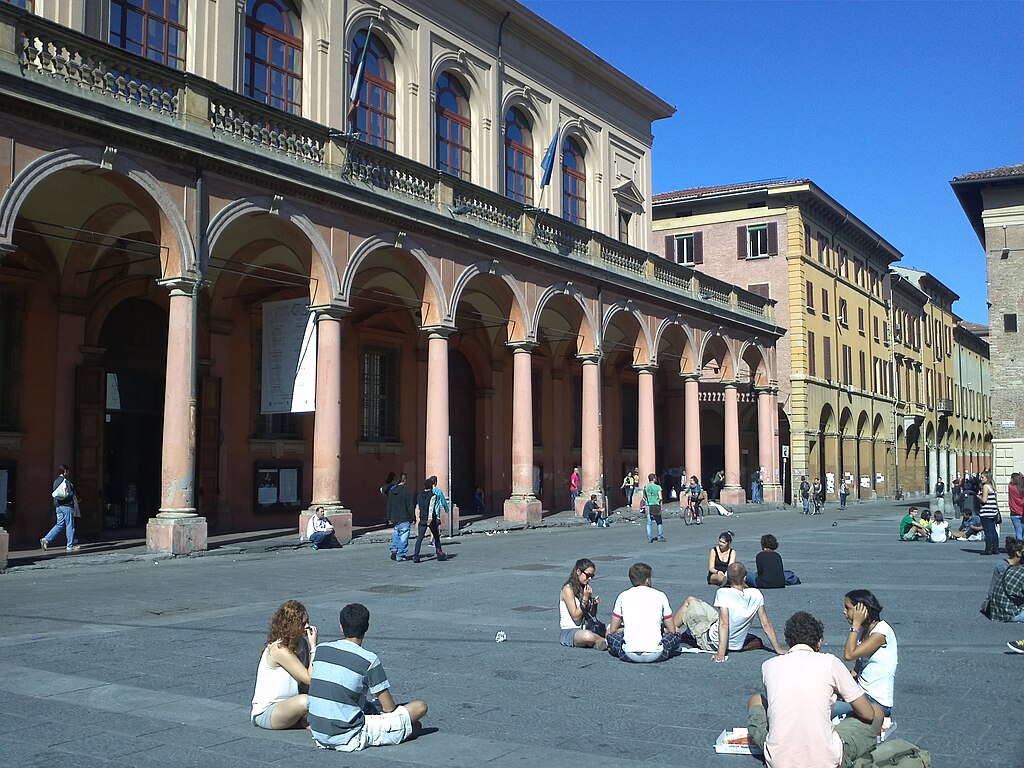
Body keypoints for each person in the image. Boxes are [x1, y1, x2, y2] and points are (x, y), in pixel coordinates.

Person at [746, 611, 884, 768]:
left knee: (756, 699)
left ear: (789, 641)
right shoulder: (830, 662)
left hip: (779, 760)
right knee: (876, 711)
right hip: (826, 760)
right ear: (819, 642)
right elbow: (867, 713)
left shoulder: (769, 665)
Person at [308, 603, 427, 751]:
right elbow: (389, 708)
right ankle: (401, 731)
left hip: (318, 732)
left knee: (372, 705)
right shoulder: (368, 659)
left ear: (341, 627)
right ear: (366, 628)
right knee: (419, 708)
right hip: (349, 735)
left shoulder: (321, 649)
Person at [675, 562, 786, 663]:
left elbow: (724, 623)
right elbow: (766, 623)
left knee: (690, 601)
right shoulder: (756, 594)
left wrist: (721, 653)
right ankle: (686, 631)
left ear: (727, 577)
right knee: (700, 603)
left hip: (711, 640)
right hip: (736, 644)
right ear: (745, 578)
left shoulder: (723, 592)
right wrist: (778, 648)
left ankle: (670, 631)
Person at [251, 600, 316, 729]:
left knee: (316, 698)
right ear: (292, 625)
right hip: (268, 712)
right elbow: (309, 678)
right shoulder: (279, 648)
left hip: (290, 705)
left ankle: (305, 719)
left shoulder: (301, 644)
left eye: (307, 621)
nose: (307, 626)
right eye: (302, 623)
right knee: (305, 701)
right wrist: (314, 647)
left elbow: (305, 685)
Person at [834, 590, 897, 719]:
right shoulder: (864, 631)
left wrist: (855, 625)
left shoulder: (881, 632)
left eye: (848, 608)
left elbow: (849, 655)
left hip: (875, 702)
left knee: (827, 709)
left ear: (861, 610)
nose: (844, 611)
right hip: (861, 694)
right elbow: (856, 670)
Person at [604, 562, 683, 662]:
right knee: (676, 633)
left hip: (629, 654)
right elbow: (671, 630)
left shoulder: (623, 596)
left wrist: (624, 629)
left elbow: (613, 629)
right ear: (647, 580)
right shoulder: (660, 595)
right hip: (657, 654)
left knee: (610, 634)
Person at [558, 558, 608, 650]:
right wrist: (585, 598)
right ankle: (606, 641)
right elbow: (576, 616)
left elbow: (591, 614)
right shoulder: (568, 589)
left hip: (587, 627)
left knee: (614, 628)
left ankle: (599, 641)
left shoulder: (584, 588)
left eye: (592, 576)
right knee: (587, 636)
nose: (589, 579)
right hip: (570, 631)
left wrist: (593, 604)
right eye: (588, 575)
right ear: (578, 571)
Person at [40, 464, 80, 553]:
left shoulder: (55, 482)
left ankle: (46, 539)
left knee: (59, 524)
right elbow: (70, 494)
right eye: (68, 471)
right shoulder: (67, 482)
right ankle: (70, 545)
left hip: (58, 507)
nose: (68, 473)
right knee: (70, 525)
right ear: (65, 471)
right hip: (67, 506)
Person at [983, 537, 1024, 622]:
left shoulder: (1011, 567)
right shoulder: (1004, 567)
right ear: (1018, 553)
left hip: (999, 606)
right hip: (1005, 610)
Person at [412, 476, 448, 563]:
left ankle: (416, 555)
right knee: (436, 537)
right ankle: (439, 554)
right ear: (431, 486)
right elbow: (431, 508)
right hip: (431, 519)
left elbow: (419, 507)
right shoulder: (433, 496)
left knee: (419, 538)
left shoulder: (419, 496)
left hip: (422, 519)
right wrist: (430, 519)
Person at [386, 472, 415, 561]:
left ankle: (394, 549)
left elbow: (389, 505)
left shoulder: (392, 491)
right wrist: (412, 517)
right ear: (405, 480)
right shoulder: (407, 491)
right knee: (403, 536)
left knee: (396, 534)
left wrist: (389, 517)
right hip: (404, 517)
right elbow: (410, 506)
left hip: (395, 517)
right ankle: (401, 554)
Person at [979, 470, 1001, 555]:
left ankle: (988, 549)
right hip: (993, 511)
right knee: (993, 530)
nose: (981, 479)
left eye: (982, 477)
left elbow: (984, 500)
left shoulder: (985, 487)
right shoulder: (992, 486)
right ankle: (995, 548)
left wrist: (978, 497)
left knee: (988, 531)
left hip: (986, 511)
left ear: (987, 478)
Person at [643, 473, 665, 542]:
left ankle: (649, 537)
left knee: (649, 523)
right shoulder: (658, 487)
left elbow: (644, 496)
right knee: (659, 521)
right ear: (654, 479)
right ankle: (660, 536)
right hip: (656, 505)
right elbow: (660, 498)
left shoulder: (646, 487)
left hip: (648, 505)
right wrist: (661, 506)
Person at [1008, 472, 1024, 540]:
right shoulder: (1022, 489)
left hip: (1014, 513)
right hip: (1022, 512)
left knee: (1018, 532)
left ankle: (1019, 547)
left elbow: (1009, 483)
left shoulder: (1011, 487)